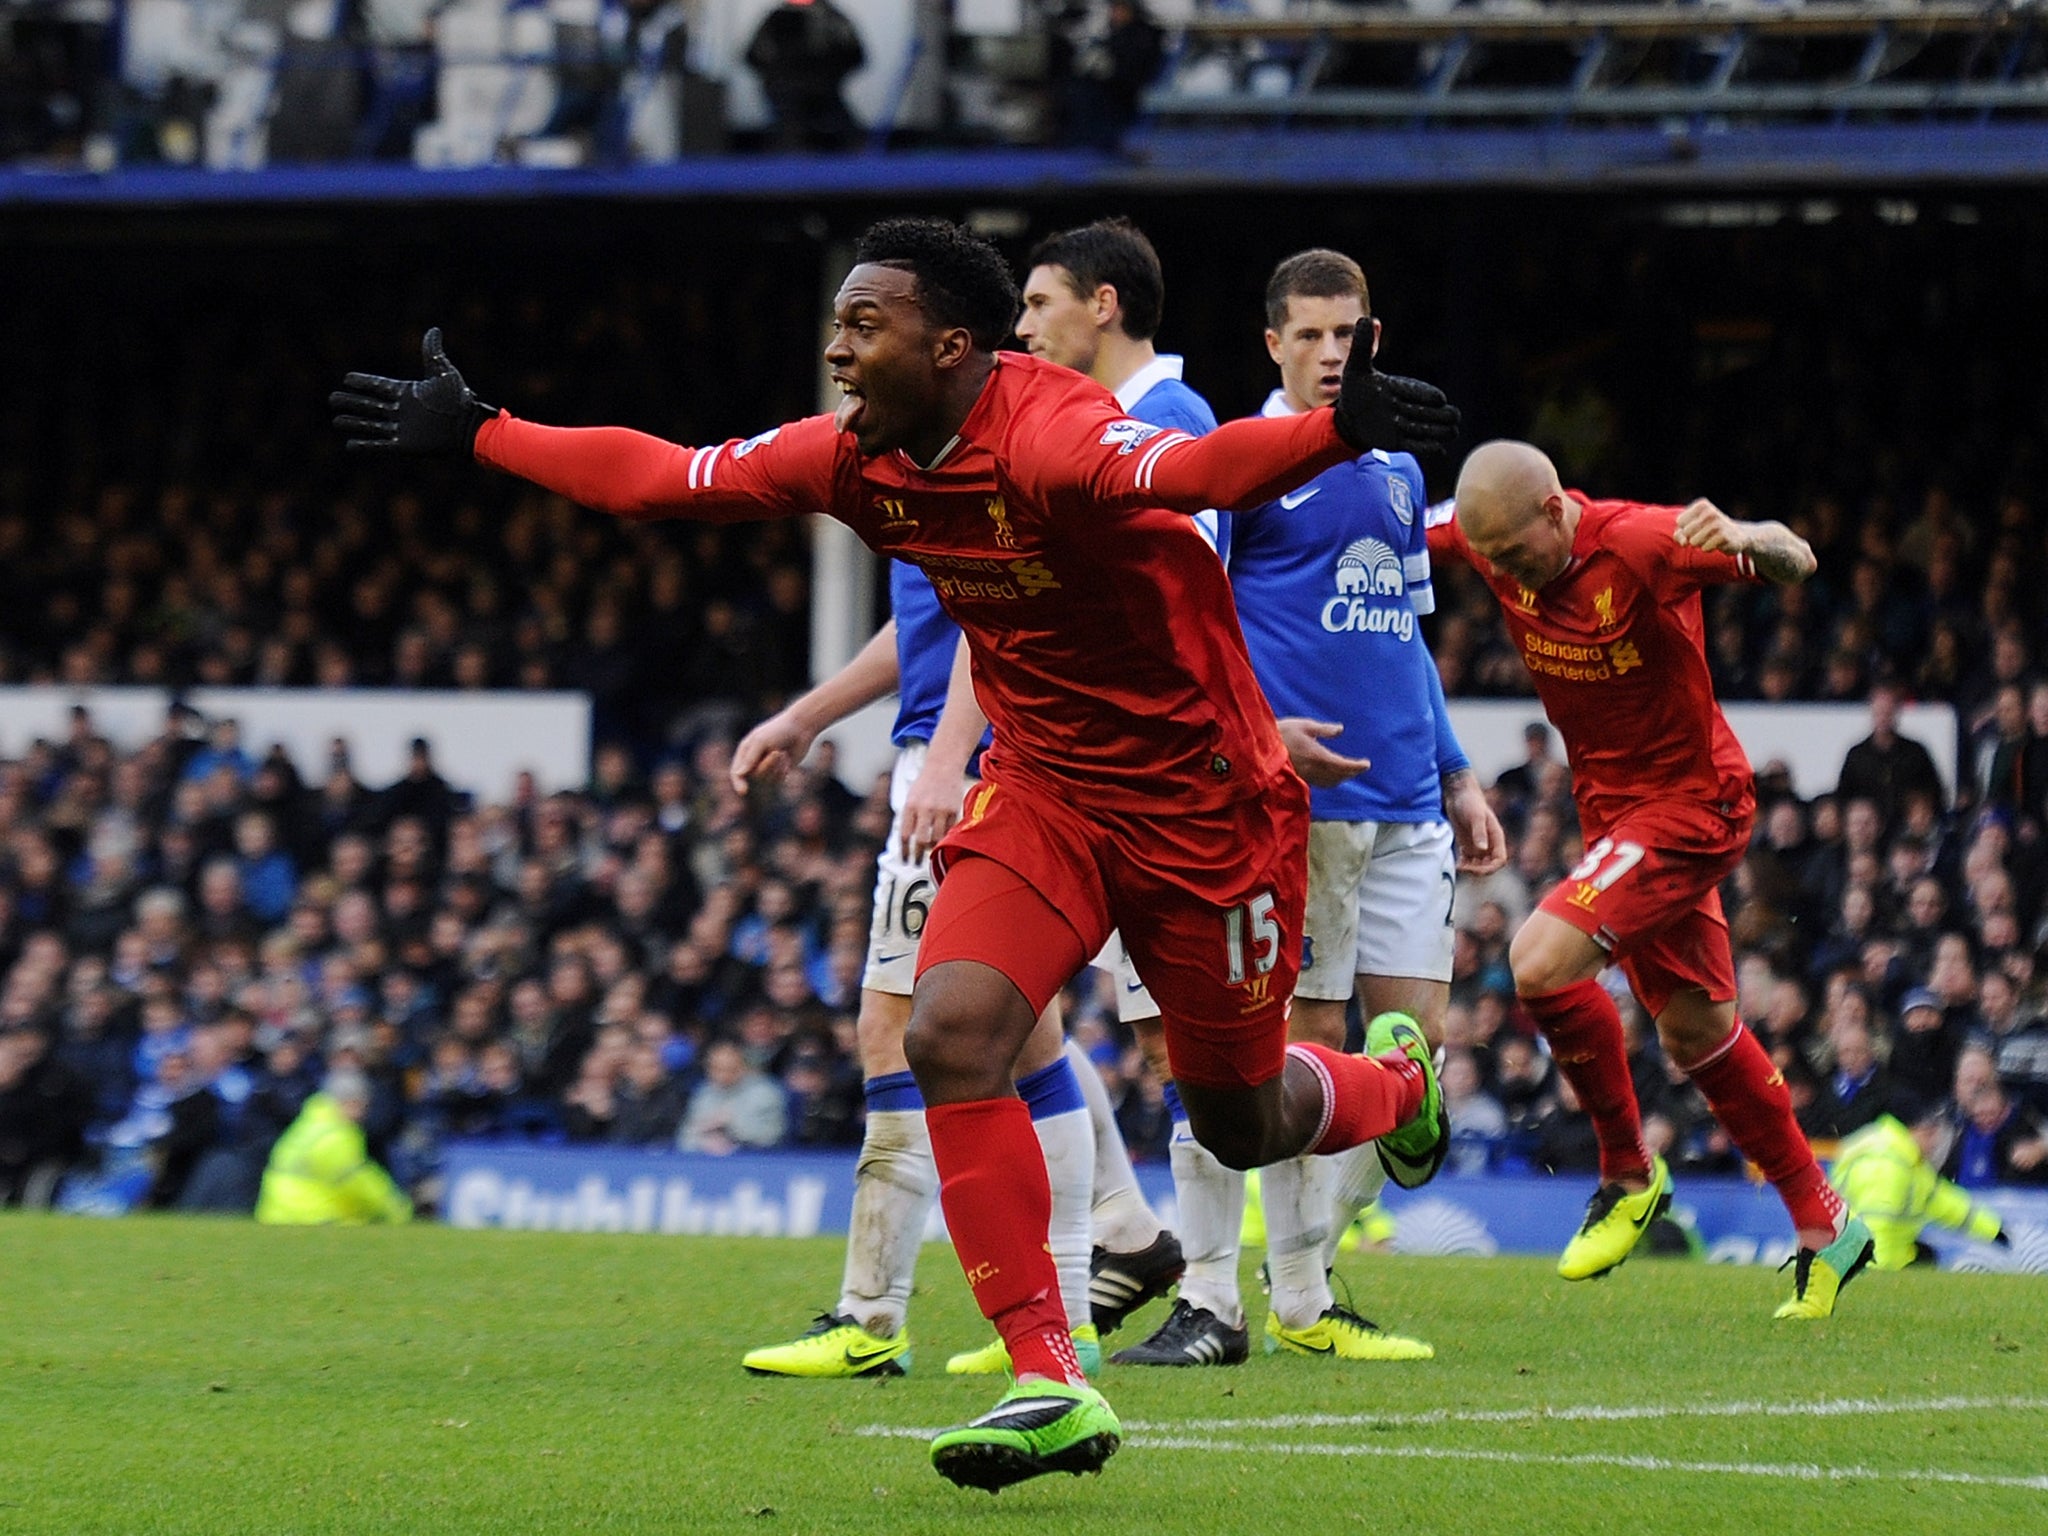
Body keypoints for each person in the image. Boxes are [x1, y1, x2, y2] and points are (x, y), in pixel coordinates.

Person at [330, 214, 1458, 1490]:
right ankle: (1050, 1378)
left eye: (865, 327)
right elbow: (662, 476)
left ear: (954, 347)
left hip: (1204, 806)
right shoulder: (860, 456)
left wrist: (1333, 429)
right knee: (947, 1033)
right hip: (1043, 790)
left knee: (1243, 1122)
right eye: (840, 324)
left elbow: (1197, 476)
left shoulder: (1052, 431)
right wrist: (483, 430)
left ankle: (1397, 1086)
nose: (835, 351)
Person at [1106, 248, 1503, 1368]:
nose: (1333, 354)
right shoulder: (1239, 465)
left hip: (1404, 801)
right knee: (1298, 1041)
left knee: (1412, 1047)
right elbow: (1192, 618)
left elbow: (1405, 637)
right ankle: (1258, 1298)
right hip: (1299, 807)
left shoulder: (1394, 475)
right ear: (1271, 342)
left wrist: (1459, 771)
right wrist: (1255, 738)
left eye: (1350, 335)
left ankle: (1303, 1280)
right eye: (1312, 335)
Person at [1431, 439, 1875, 1320]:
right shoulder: (1486, 538)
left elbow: (1794, 556)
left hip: (1693, 803)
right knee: (1697, 1034)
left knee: (1537, 962)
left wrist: (1750, 533)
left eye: (1520, 555)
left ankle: (1629, 1174)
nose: (1510, 576)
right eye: (1497, 562)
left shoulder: (1642, 544)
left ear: (1556, 509)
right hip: (1614, 819)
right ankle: (1828, 1223)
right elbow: (1391, 519)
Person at [732, 594, 1111, 1378]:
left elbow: (982, 611)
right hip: (1006, 756)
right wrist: (809, 716)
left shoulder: (947, 482)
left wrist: (942, 759)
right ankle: (1072, 1318)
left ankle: (871, 1318)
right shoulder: (943, 487)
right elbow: (923, 619)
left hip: (970, 761)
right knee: (1032, 1037)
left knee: (893, 1027)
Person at [1831, 1108, 2007, 1269]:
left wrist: (1994, 1231)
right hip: (1864, 1260)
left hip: (1877, 1251)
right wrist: (1880, 1273)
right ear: (1922, 1131)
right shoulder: (1889, 1167)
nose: (1935, 1146)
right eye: (1933, 1137)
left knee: (1927, 1257)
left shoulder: (1909, 1162)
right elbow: (1878, 1226)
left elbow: (1946, 1204)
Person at [254, 1069, 413, 1225]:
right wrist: (396, 1208)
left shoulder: (310, 1121)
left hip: (275, 1212)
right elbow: (357, 1179)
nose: (364, 1111)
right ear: (351, 1101)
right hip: (310, 1215)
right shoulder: (337, 1135)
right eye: (362, 1104)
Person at [1837, 680, 1946, 833]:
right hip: (1868, 831)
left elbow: (1935, 793)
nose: (1883, 717)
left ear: (1897, 713)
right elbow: (1844, 797)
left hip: (1908, 831)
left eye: (1888, 712)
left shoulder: (1916, 752)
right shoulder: (1857, 755)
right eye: (1879, 712)